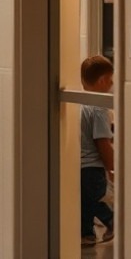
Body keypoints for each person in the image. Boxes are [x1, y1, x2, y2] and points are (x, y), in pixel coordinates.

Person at [79, 55, 115, 247]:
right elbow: (103, 143)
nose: (111, 85)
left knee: (86, 201)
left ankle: (87, 233)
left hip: (81, 164)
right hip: (92, 166)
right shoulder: (100, 107)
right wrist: (112, 168)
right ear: (102, 81)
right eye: (110, 80)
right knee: (94, 200)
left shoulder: (79, 102)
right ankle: (112, 220)